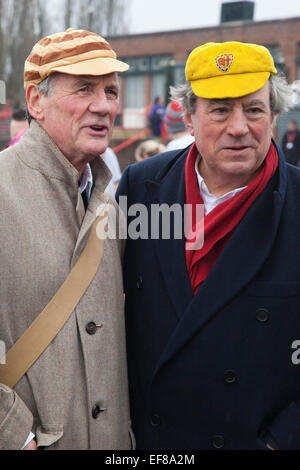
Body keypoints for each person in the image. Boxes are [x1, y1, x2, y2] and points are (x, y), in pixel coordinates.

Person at [116, 41, 300, 450]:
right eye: (220, 110)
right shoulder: (140, 188)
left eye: (253, 109)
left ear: (273, 116)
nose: (239, 127)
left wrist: (281, 441)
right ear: (188, 118)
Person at [0, 28, 133, 450]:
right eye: (84, 89)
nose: (104, 105)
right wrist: (14, 436)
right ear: (36, 101)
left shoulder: (111, 201)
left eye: (111, 91)